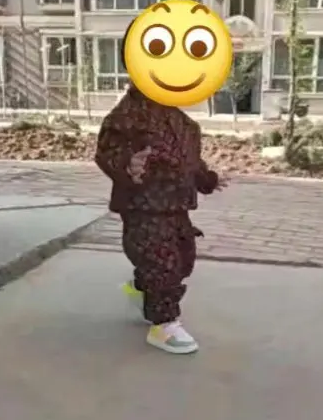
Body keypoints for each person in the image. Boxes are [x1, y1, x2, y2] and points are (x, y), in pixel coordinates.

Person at [95, 79, 226, 355]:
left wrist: (207, 180)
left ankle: (142, 290)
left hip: (176, 205)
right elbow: (108, 150)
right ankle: (164, 325)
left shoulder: (181, 121)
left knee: (183, 259)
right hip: (143, 205)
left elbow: (191, 161)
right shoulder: (128, 114)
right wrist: (128, 165)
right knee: (161, 262)